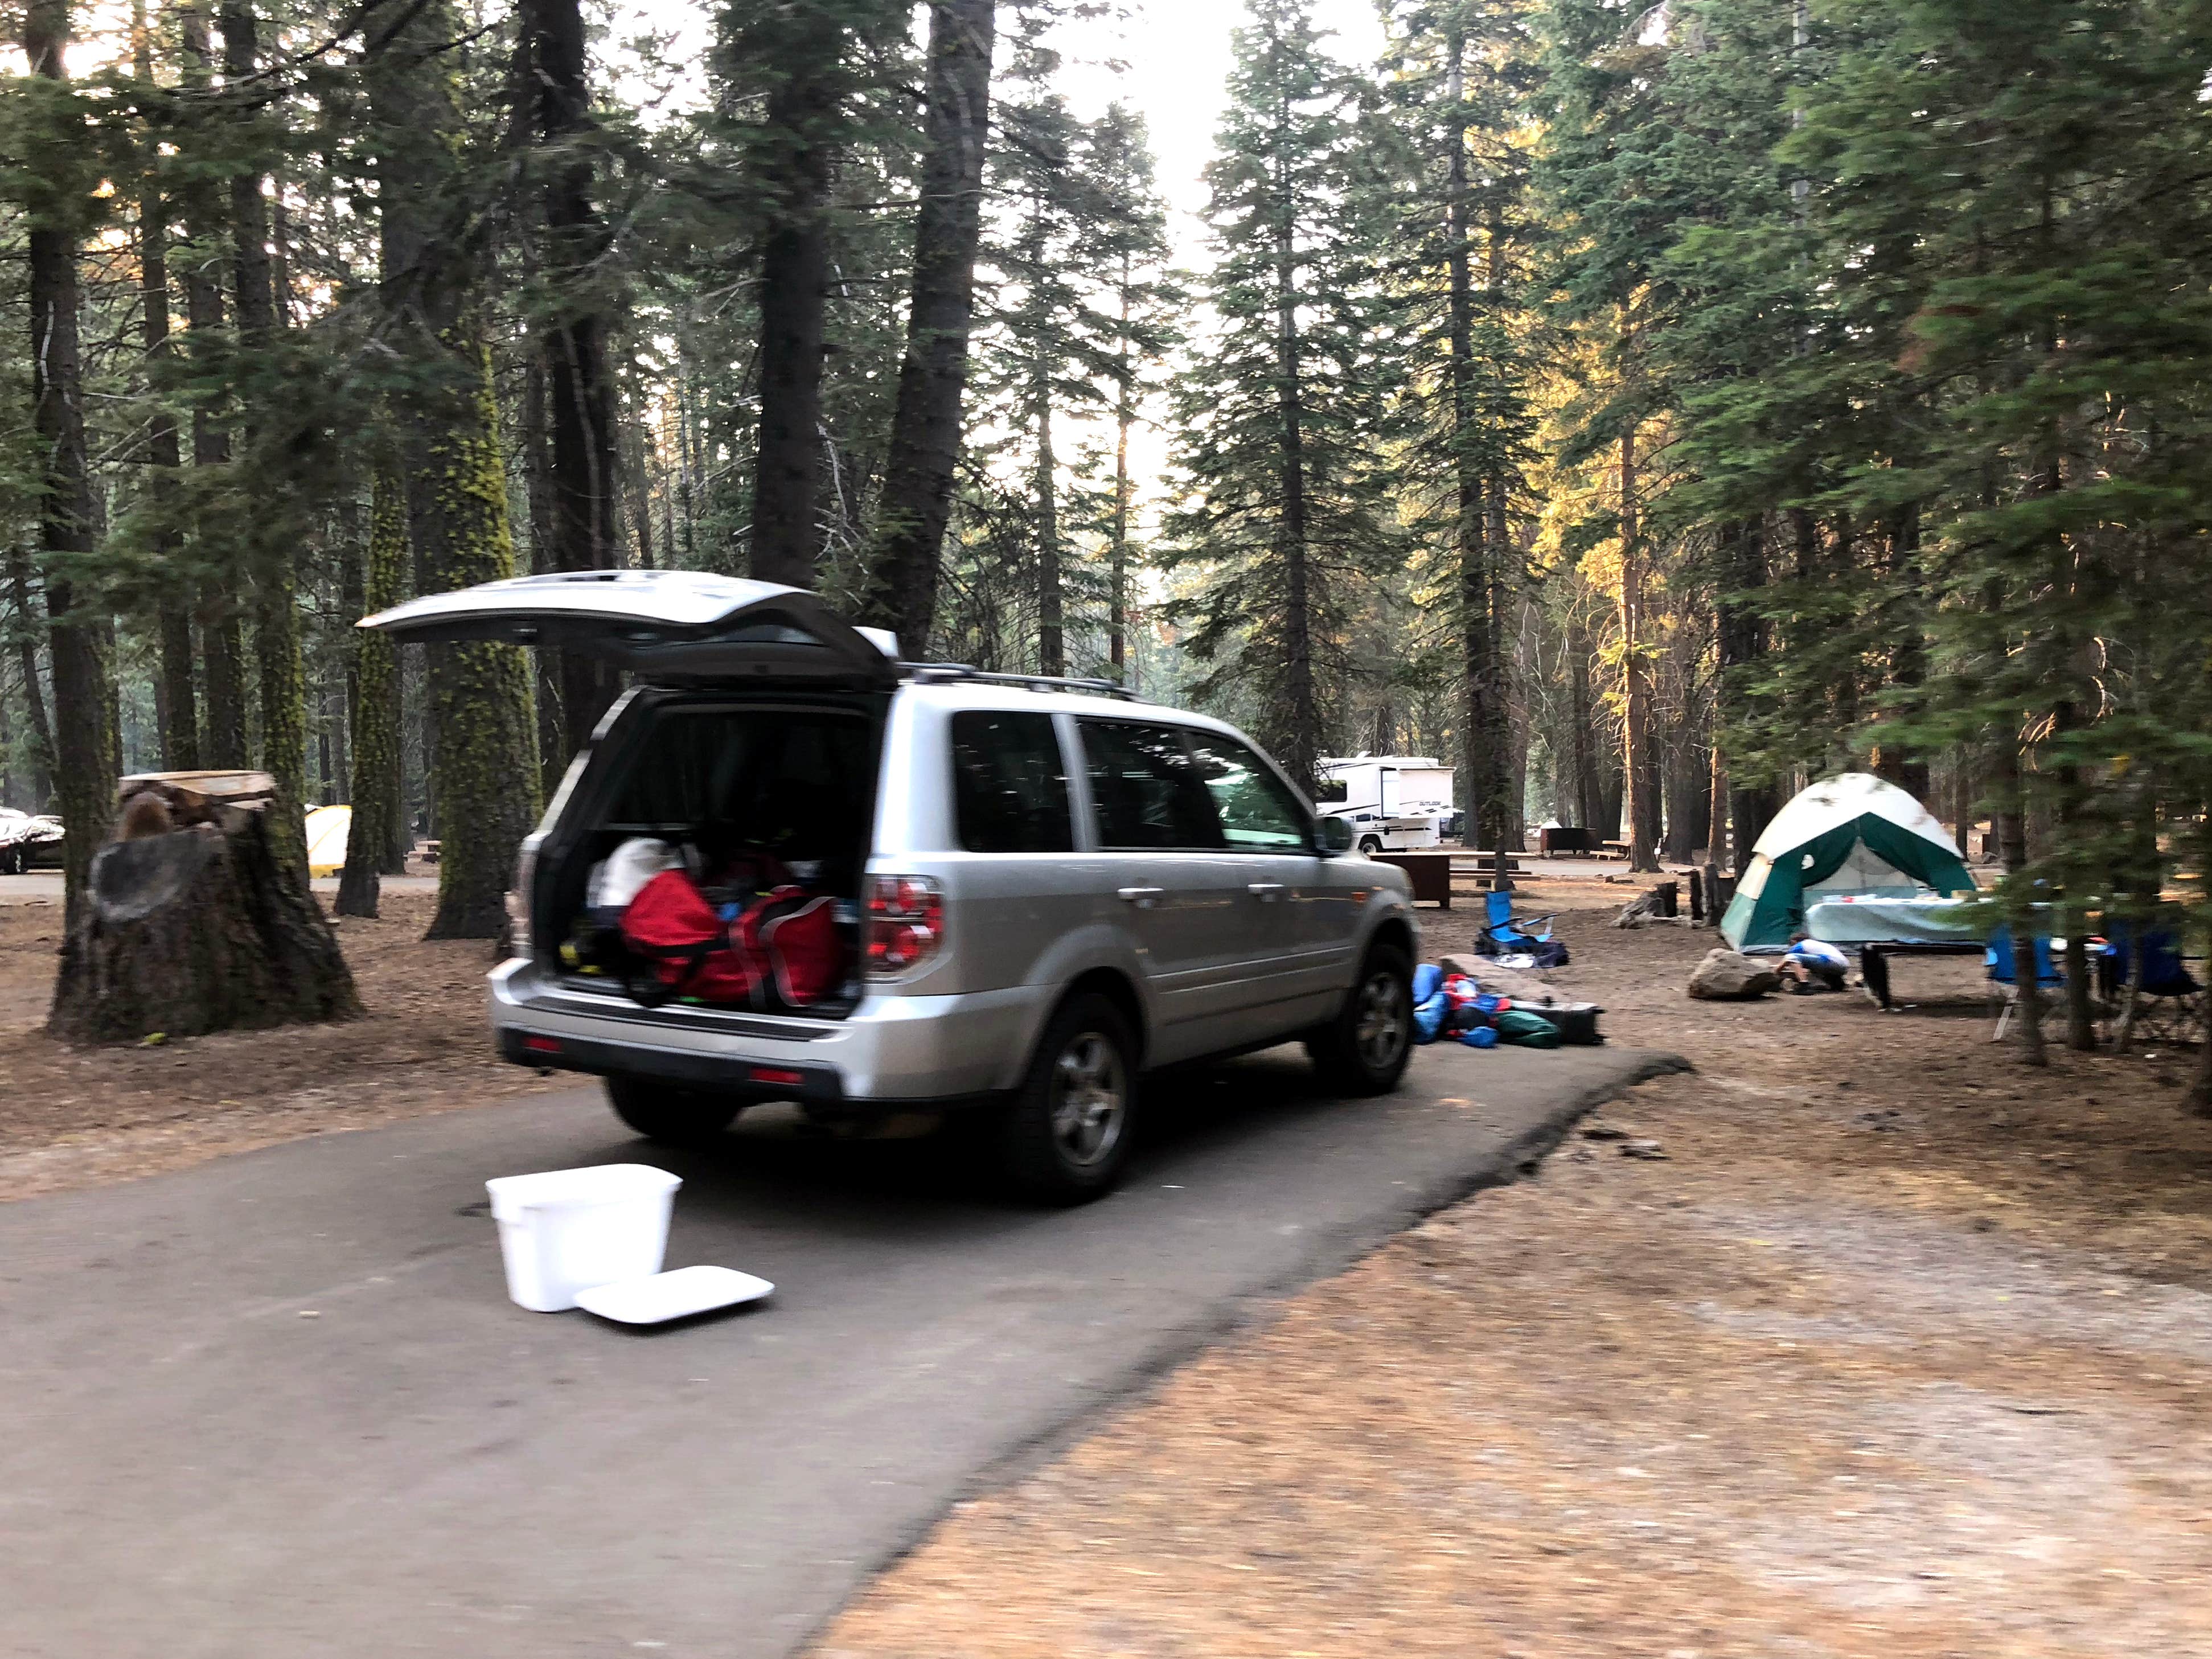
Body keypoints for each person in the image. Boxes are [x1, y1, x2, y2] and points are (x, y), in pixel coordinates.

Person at [1779, 934, 1850, 995]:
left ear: (1794, 941)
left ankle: (1804, 986)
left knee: (1791, 957)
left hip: (1832, 963)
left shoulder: (1801, 945)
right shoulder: (1816, 944)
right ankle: (1837, 984)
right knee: (1813, 968)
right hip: (1843, 966)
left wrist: (1776, 971)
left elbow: (1787, 959)